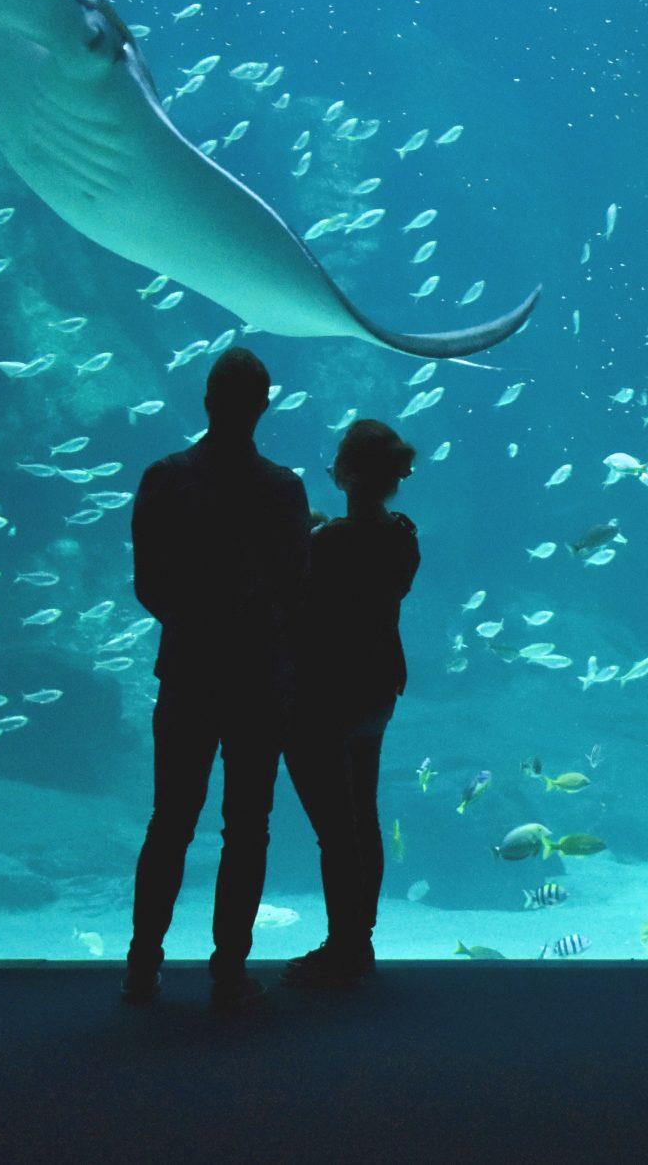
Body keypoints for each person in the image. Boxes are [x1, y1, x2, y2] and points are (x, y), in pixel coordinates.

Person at [121, 347, 310, 1012]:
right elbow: (295, 586)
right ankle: (228, 970)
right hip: (258, 675)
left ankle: (142, 966)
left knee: (169, 820)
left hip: (189, 669)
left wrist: (195, 622)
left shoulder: (165, 477)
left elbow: (148, 583)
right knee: (247, 825)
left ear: (207, 401)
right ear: (263, 406)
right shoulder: (283, 489)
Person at [280, 419, 421, 991]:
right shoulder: (404, 535)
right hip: (377, 690)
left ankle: (344, 948)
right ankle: (358, 939)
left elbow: (296, 594)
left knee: (336, 830)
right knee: (363, 814)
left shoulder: (329, 543)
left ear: (348, 473)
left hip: (325, 696)